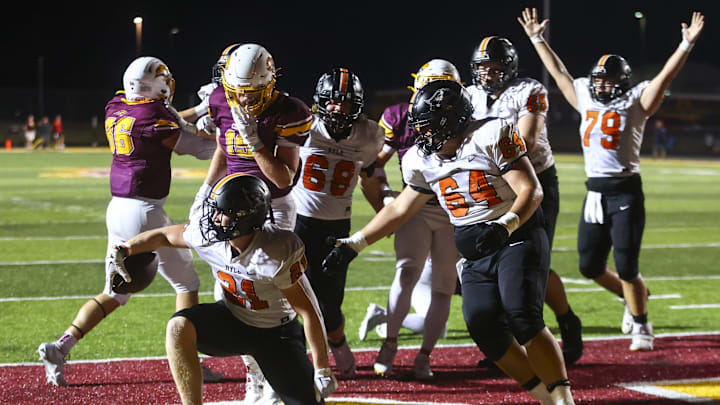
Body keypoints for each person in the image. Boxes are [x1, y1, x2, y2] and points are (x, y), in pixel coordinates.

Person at [326, 80, 575, 404]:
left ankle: (564, 398)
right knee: (483, 326)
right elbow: (402, 207)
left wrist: (504, 225)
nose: (424, 136)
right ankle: (544, 395)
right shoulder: (421, 159)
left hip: (517, 236)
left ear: (451, 120)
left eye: (429, 128)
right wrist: (354, 243)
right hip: (474, 251)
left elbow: (532, 190)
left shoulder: (492, 134)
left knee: (523, 316)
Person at [518, 8, 704, 352]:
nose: (602, 85)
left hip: (625, 190)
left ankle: (641, 322)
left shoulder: (636, 101)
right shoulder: (585, 94)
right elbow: (558, 72)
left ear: (622, 81)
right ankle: (631, 298)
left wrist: (685, 46)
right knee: (589, 266)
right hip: (595, 192)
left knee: (627, 265)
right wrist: (536, 38)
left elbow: (664, 77)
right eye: (598, 79)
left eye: (608, 80)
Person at [37, 56, 214, 387]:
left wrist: (202, 110)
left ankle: (60, 347)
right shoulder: (156, 119)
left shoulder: (116, 105)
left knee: (115, 293)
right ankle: (191, 362)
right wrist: (226, 129)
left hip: (116, 209)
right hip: (144, 212)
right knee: (187, 284)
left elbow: (169, 120)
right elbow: (198, 147)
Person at [109, 173, 337, 405]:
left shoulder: (276, 250)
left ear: (246, 217)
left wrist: (322, 368)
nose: (214, 218)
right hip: (233, 320)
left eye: (223, 212)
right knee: (178, 327)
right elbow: (164, 236)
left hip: (276, 335)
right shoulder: (209, 236)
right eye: (215, 210)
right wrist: (125, 249)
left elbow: (308, 311)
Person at [195, 43, 313, 403]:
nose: (243, 101)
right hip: (230, 208)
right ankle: (255, 377)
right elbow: (221, 149)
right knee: (229, 296)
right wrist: (205, 190)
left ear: (270, 83)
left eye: (252, 93)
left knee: (273, 301)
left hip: (272, 208)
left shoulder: (290, 111)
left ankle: (282, 375)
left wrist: (254, 142)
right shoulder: (220, 97)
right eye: (237, 93)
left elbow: (282, 178)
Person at [466, 36, 583, 365]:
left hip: (533, 180)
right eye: (482, 67)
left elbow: (527, 141)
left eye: (495, 67)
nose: (488, 74)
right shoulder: (470, 95)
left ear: (510, 67)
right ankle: (506, 343)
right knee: (498, 263)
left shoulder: (528, 90)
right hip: (492, 183)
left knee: (532, 262)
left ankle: (566, 320)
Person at [358, 59, 462, 381]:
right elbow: (371, 167)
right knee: (406, 273)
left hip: (451, 212)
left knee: (444, 286)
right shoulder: (400, 116)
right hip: (414, 207)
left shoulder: (464, 119)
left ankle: (425, 356)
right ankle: (389, 345)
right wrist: (388, 196)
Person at [291, 67, 384, 379]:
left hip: (337, 230)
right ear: (320, 102)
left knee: (330, 305)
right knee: (292, 299)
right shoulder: (304, 127)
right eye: (332, 101)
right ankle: (294, 359)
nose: (338, 108)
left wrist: (383, 214)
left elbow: (369, 178)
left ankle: (340, 348)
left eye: (345, 102)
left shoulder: (370, 135)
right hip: (299, 225)